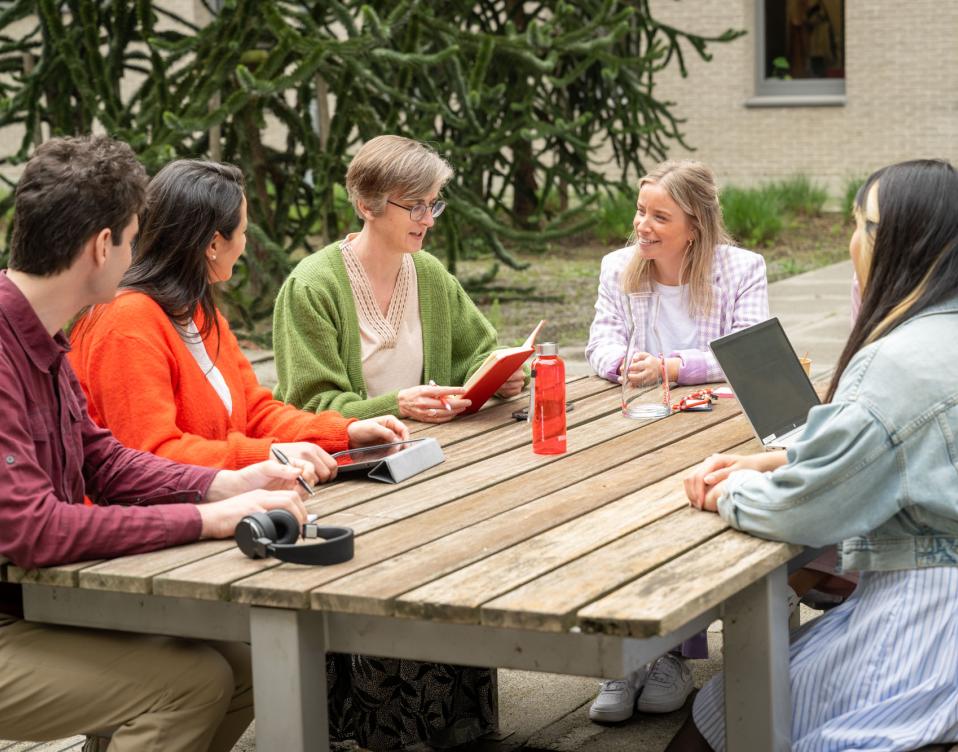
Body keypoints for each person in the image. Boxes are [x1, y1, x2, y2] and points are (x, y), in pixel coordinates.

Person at [0, 135, 316, 751]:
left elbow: (103, 459)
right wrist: (206, 519)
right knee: (191, 683)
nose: (136, 254)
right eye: (133, 236)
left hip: (31, 604)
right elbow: (31, 530)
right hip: (13, 622)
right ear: (101, 247)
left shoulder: (38, 331)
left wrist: (229, 482)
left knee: (252, 659)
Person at [671, 158, 958, 751]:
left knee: (719, 718)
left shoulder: (896, 362)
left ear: (909, 242)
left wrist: (726, 489)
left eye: (862, 224)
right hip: (929, 613)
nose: (853, 241)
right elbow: (899, 437)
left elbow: (801, 511)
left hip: (921, 633)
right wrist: (767, 459)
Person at [70, 159, 407, 479]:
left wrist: (343, 433)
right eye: (244, 231)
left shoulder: (197, 312)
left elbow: (255, 412)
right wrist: (271, 455)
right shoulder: (125, 323)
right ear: (214, 243)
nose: (245, 245)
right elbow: (152, 455)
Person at [584, 160, 769, 724]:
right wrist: (625, 363)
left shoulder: (740, 269)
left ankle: (671, 655)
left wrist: (672, 366)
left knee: (683, 517)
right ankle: (624, 657)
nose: (642, 224)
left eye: (659, 216)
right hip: (638, 420)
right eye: (641, 210)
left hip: (712, 427)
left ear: (696, 224)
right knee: (609, 506)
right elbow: (598, 345)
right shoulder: (619, 267)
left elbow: (747, 350)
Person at [272, 135, 524, 423]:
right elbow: (311, 406)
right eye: (416, 207)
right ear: (367, 206)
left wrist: (506, 377)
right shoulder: (311, 287)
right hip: (339, 459)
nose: (429, 220)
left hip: (434, 447)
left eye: (432, 205)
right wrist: (398, 405)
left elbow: (480, 355)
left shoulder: (429, 274)